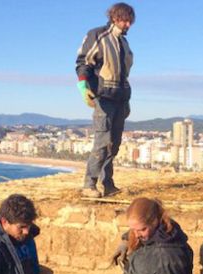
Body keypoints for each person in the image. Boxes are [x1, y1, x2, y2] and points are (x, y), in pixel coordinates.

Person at [75, 3, 135, 198]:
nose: (127, 25)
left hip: (121, 97)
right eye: (124, 20)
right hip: (104, 97)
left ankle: (108, 183)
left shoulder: (124, 44)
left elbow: (124, 73)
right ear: (114, 18)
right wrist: (83, 85)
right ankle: (89, 184)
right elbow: (83, 62)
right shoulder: (98, 36)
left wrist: (126, 99)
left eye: (129, 21)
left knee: (114, 144)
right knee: (102, 141)